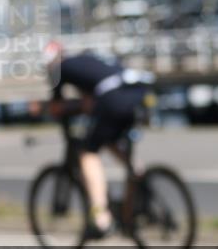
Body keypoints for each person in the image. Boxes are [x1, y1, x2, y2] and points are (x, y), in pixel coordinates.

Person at [40, 41, 151, 238]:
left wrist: (40, 109)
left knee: (88, 153)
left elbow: (57, 107)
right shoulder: (87, 61)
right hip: (137, 92)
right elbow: (90, 103)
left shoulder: (61, 69)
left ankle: (101, 219)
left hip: (113, 98)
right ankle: (135, 174)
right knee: (108, 137)